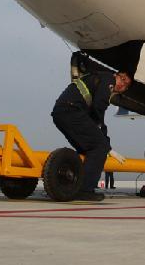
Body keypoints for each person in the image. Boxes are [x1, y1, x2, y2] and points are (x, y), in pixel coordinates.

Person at [51, 56, 132, 202]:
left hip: (62, 112)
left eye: (126, 84)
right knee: (99, 147)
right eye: (122, 79)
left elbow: (94, 119)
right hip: (71, 111)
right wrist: (106, 144)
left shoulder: (98, 79)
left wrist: (104, 138)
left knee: (88, 149)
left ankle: (71, 184)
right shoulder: (108, 80)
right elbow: (98, 108)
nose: (122, 84)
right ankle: (84, 190)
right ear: (116, 75)